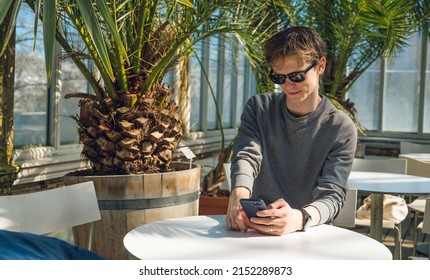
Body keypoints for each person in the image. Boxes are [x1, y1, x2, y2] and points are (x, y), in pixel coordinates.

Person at [225, 26, 357, 235]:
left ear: (320, 66)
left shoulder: (341, 129)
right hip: (254, 231)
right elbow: (246, 155)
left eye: (296, 76)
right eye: (278, 78)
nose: (287, 85)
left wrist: (299, 218)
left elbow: (332, 195)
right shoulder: (259, 109)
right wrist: (240, 194)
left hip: (309, 235)